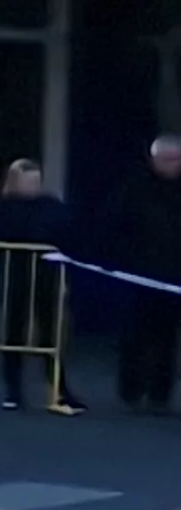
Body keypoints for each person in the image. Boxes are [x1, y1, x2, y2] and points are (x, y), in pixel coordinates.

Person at [0, 157, 81, 411]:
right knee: (15, 334)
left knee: (50, 336)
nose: (34, 186)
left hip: (48, 278)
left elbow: (67, 233)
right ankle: (13, 389)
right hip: (16, 278)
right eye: (29, 181)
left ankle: (59, 387)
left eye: (37, 181)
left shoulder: (51, 206)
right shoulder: (4, 208)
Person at [102, 138, 181, 414]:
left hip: (174, 280)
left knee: (167, 339)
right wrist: (121, 261)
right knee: (133, 336)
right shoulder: (132, 189)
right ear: (154, 159)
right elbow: (114, 227)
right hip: (136, 278)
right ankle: (131, 391)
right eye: (169, 159)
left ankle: (161, 394)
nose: (175, 165)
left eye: (178, 159)